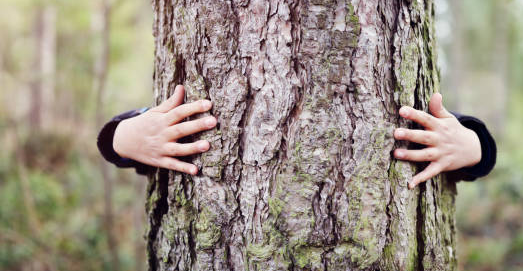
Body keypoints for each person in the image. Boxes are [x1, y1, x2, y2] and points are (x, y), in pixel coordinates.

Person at [97, 85, 496, 186]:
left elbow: (479, 144)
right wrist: (122, 137)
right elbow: (113, 136)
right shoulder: (167, 127)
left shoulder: (424, 125)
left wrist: (474, 145)